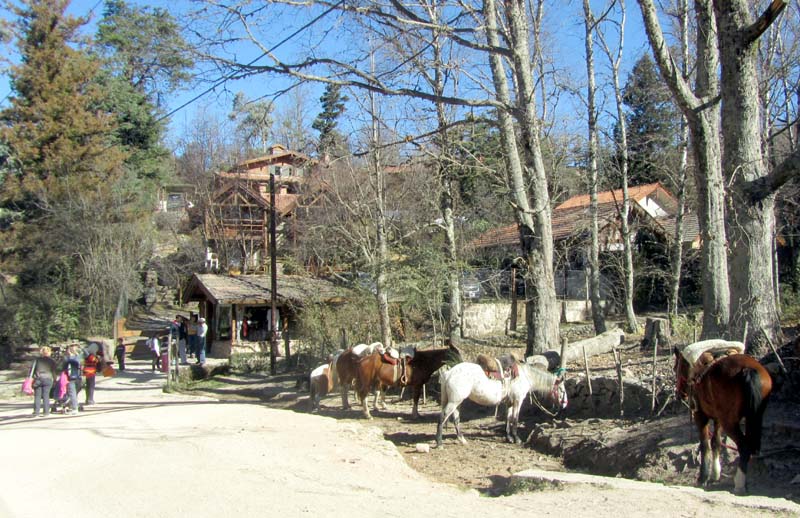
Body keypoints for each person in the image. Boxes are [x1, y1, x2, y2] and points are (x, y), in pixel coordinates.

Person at [31, 346, 57, 417]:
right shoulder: (52, 361)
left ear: (41, 352)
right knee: (46, 396)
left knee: (37, 396)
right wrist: (55, 380)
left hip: (38, 379)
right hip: (48, 379)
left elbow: (32, 371)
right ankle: (46, 412)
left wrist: (31, 379)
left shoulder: (37, 360)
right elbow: (54, 372)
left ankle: (36, 412)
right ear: (49, 352)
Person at [63, 345, 82, 414]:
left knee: (72, 393)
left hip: (71, 378)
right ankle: (73, 405)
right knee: (75, 393)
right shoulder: (79, 357)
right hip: (79, 378)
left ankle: (74, 408)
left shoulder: (68, 359)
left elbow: (63, 367)